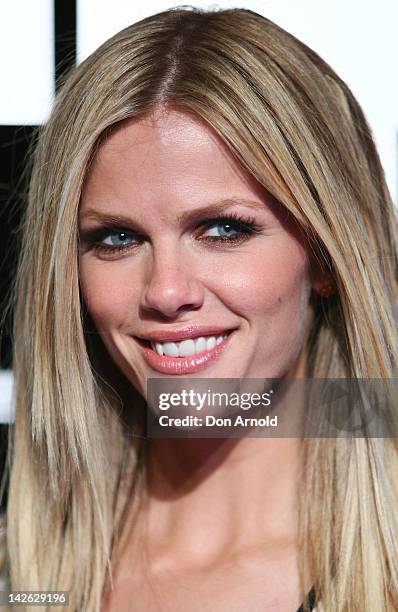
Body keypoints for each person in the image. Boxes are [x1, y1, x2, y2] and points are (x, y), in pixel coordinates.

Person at [1, 5, 397, 611]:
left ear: (324, 255)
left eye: (223, 229)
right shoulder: (25, 579)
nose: (165, 290)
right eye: (116, 238)